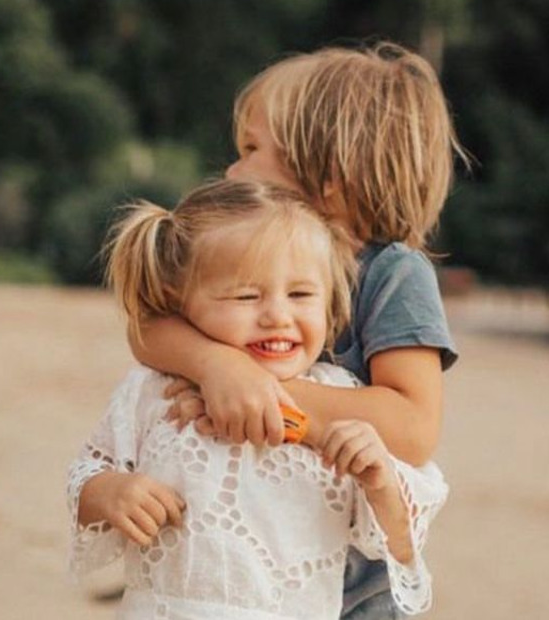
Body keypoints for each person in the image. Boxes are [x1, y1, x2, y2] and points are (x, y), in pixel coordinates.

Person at [125, 41, 466, 619]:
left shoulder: (392, 275)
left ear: (327, 176)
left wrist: (271, 396)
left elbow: (412, 426)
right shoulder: (238, 253)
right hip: (244, 568)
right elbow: (148, 327)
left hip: (349, 589)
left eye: (251, 149)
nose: (232, 170)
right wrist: (218, 366)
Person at [68, 179, 448, 619]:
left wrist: (379, 482)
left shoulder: (343, 400)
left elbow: (399, 543)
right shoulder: (159, 390)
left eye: (301, 294)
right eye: (247, 296)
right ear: (180, 302)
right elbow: (85, 476)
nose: (278, 316)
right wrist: (110, 493)